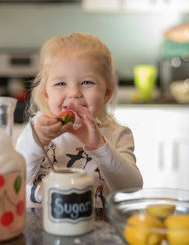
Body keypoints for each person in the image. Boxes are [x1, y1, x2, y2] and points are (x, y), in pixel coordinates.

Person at [15, 32, 143, 208]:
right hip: (39, 227)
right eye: (61, 84)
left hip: (98, 228)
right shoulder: (36, 129)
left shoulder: (117, 134)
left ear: (106, 93)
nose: (74, 93)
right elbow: (15, 179)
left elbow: (131, 189)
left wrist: (100, 146)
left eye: (87, 82)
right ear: (46, 94)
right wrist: (38, 140)